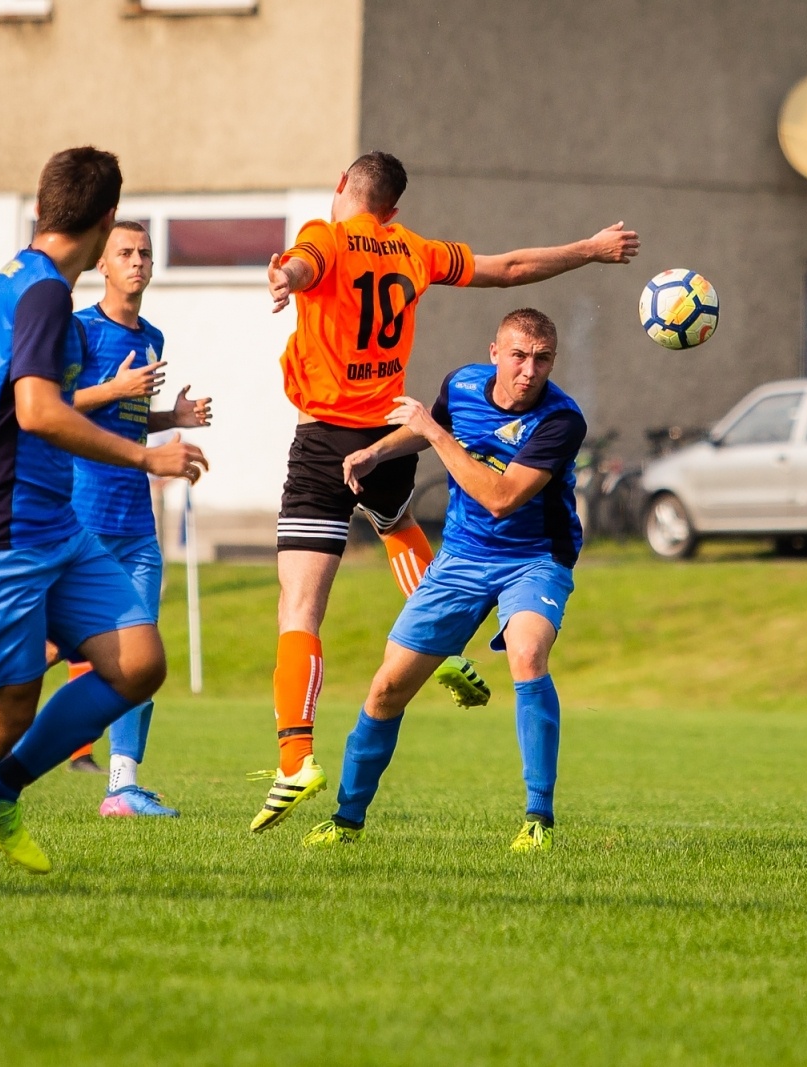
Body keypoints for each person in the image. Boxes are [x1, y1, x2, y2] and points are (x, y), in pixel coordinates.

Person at [252, 151, 638, 833]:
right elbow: (510, 269)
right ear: (395, 210)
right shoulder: (415, 250)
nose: (527, 368)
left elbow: (309, 262)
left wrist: (287, 275)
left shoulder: (326, 234)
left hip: (328, 439)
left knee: (300, 605)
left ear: (343, 187)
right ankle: (445, 652)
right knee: (395, 525)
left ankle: (296, 758)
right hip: (388, 431)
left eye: (537, 359)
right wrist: (592, 249)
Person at [0, 147, 207, 893]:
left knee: (139, 662)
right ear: (107, 217)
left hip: (51, 522)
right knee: (2, 712)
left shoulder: (16, 275)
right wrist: (147, 456)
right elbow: (36, 409)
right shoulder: (47, 293)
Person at [301, 308, 585, 854]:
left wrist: (433, 430)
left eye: (542, 359)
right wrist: (377, 449)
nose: (529, 370)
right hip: (459, 558)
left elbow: (500, 499)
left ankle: (537, 819)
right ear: (495, 352)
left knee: (527, 654)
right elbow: (425, 429)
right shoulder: (462, 384)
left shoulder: (562, 421)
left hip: (534, 558)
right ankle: (346, 820)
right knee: (386, 689)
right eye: (519, 356)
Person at [57, 220, 212, 816]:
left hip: (137, 525)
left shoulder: (152, 334)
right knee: (41, 650)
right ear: (102, 264)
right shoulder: (79, 330)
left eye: (145, 253)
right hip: (81, 517)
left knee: (142, 658)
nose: (138, 262)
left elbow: (125, 423)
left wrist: (171, 416)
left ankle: (121, 785)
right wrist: (115, 387)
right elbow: (52, 408)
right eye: (125, 252)